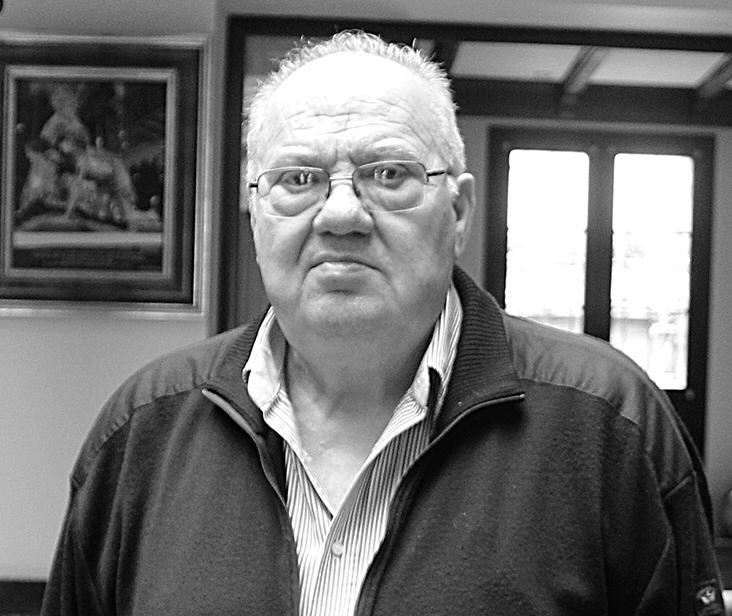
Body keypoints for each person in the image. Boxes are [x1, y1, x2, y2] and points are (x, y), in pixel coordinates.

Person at [41, 31, 724, 616]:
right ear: (256, 215)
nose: (341, 214)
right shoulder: (143, 433)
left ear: (458, 212)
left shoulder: (609, 426)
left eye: (389, 173)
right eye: (298, 179)